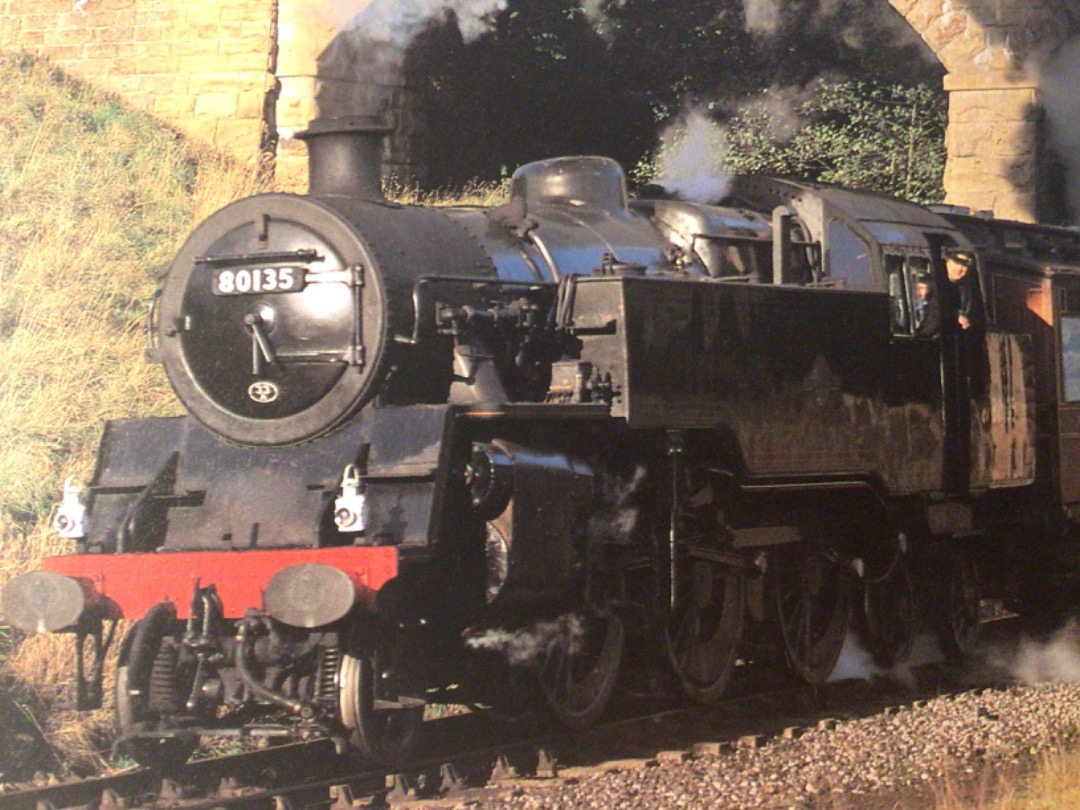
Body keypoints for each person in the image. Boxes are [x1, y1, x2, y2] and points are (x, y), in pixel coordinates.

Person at [943, 247, 979, 330]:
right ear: (946, 261)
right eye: (957, 262)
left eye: (964, 265)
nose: (960, 268)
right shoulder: (934, 283)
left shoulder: (969, 290)